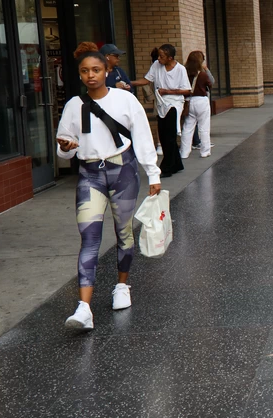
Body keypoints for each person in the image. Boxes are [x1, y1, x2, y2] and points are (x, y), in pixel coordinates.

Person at [56, 42, 161, 330]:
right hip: (90, 174)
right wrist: (66, 147)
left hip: (123, 170)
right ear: (79, 75)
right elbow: (64, 151)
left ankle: (122, 286)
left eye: (97, 70)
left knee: (123, 232)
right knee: (89, 238)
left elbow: (142, 136)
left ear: (107, 70)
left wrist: (153, 173)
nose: (91, 75)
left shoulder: (125, 100)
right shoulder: (73, 106)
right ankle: (84, 308)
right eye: (85, 71)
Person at [132, 44, 191, 178]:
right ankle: (176, 164)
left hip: (174, 103)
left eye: (162, 56)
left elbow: (187, 90)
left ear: (170, 58)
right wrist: (130, 83)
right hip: (161, 103)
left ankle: (167, 167)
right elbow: (147, 80)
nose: (159, 58)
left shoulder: (180, 69)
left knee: (169, 136)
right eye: (159, 55)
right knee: (164, 135)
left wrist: (168, 91)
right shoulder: (156, 66)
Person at [180, 51, 212, 159]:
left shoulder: (184, 73)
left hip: (188, 101)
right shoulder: (202, 74)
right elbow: (211, 83)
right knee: (204, 127)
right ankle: (205, 151)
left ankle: (184, 152)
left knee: (188, 127)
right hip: (201, 101)